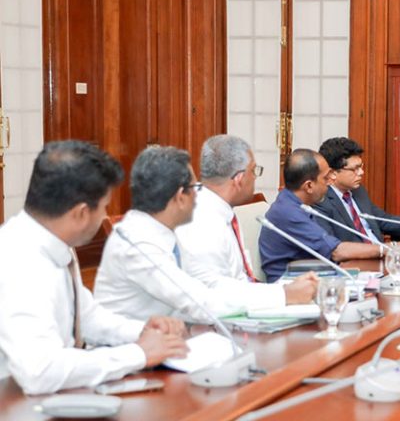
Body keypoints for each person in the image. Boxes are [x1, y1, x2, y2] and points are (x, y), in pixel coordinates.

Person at [0, 141, 188, 395]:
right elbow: (40, 371)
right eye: (104, 207)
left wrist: (142, 331)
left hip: (57, 394)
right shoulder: (19, 260)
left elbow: (86, 317)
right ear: (80, 213)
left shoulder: (54, 242)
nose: (104, 217)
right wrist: (139, 354)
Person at [95, 146, 317, 323]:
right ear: (181, 196)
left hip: (173, 339)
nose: (199, 196)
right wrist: (284, 296)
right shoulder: (139, 243)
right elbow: (201, 302)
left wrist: (281, 291)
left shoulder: (163, 232)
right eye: (195, 188)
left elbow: (212, 283)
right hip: (139, 357)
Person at [175, 135, 318, 300]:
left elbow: (242, 280)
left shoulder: (220, 209)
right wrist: (283, 294)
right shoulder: (200, 219)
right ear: (239, 179)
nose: (255, 177)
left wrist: (287, 288)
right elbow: (213, 292)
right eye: (254, 171)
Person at [259, 149, 400, 282]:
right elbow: (336, 251)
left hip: (316, 276)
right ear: (309, 186)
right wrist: (397, 249)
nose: (331, 181)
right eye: (325, 178)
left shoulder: (296, 204)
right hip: (293, 287)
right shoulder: (288, 212)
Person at [315, 137, 400, 243]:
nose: (361, 172)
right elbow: (334, 247)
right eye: (354, 169)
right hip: (357, 266)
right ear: (333, 173)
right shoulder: (321, 200)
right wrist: (390, 250)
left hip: (383, 258)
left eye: (361, 166)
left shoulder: (358, 192)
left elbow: (383, 220)